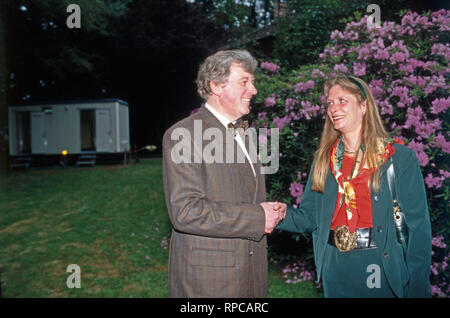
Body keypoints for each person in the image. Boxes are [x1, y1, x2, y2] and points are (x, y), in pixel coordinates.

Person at [273, 76, 432, 297]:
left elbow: (418, 230)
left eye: (342, 101)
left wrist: (418, 289)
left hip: (378, 262)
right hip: (335, 263)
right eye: (329, 103)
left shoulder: (397, 158)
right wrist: (280, 214)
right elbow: (310, 217)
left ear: (364, 106)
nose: (333, 108)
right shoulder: (324, 159)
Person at [162, 49, 285, 297]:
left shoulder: (245, 134)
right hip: (211, 283)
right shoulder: (183, 135)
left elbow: (243, 196)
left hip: (250, 275)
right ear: (216, 86)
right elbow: (185, 212)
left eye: (252, 82)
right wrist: (258, 217)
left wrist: (269, 211)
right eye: (244, 82)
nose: (253, 90)